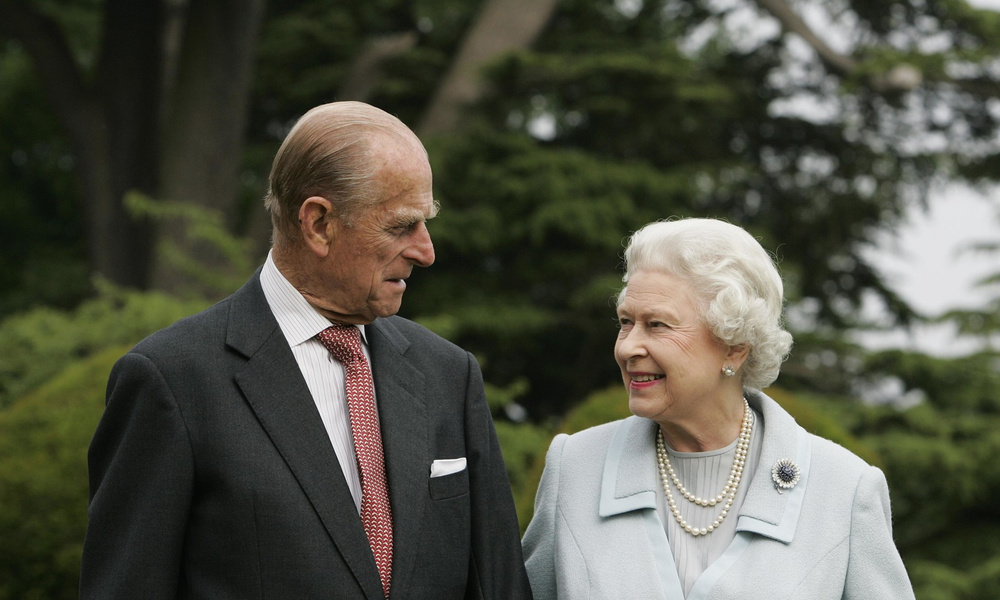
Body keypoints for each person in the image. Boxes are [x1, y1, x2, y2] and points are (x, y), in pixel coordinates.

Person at [80, 101, 532, 599]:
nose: (426, 251)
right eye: (402, 226)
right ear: (318, 223)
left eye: (426, 223)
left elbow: (500, 585)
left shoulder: (449, 373)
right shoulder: (172, 380)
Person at [522, 218, 915, 599]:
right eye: (626, 322)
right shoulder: (574, 468)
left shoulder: (843, 489)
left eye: (657, 325)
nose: (627, 347)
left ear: (734, 346)